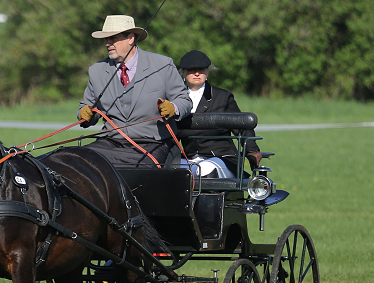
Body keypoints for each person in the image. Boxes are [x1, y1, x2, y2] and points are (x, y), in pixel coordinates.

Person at [78, 15, 192, 166]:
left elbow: (184, 100)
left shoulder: (163, 64)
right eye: (106, 39)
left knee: (135, 171)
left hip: (152, 144)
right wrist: (84, 114)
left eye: (113, 38)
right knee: (76, 161)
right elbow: (86, 107)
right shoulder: (96, 70)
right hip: (110, 143)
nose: (107, 43)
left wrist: (174, 108)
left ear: (131, 38)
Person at [176, 49, 262, 178]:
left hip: (222, 158)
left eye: (202, 70)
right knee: (169, 171)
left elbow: (241, 127)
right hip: (190, 158)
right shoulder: (175, 100)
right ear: (183, 72)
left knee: (205, 169)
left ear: (208, 71)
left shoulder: (223, 97)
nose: (197, 73)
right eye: (191, 70)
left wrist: (252, 150)